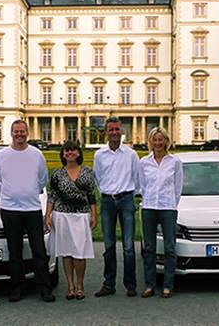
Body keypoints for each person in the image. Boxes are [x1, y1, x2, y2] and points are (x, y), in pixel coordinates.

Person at [0, 120, 54, 303]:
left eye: (22, 131)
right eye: (16, 131)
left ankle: (44, 288)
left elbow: (43, 179)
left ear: (27, 133)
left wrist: (29, 192)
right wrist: (9, 194)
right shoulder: (1, 156)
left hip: (33, 208)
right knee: (15, 251)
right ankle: (17, 287)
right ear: (11, 133)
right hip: (10, 209)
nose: (19, 134)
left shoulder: (36, 155)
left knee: (39, 251)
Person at [92, 117, 140, 297]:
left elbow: (138, 178)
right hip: (107, 201)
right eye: (111, 129)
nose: (114, 133)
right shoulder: (99, 155)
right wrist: (105, 192)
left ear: (121, 131)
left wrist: (130, 195)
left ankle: (130, 284)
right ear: (106, 132)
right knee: (109, 244)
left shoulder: (131, 154)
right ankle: (109, 283)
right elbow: (97, 178)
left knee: (128, 246)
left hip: (126, 199)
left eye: (117, 129)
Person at [45, 140, 97, 300]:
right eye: (67, 151)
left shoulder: (87, 172)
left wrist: (94, 215)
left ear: (79, 153)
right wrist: (48, 215)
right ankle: (70, 286)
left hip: (81, 215)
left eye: (73, 150)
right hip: (61, 215)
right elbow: (52, 196)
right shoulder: (57, 174)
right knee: (66, 252)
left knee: (79, 253)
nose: (70, 153)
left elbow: (91, 196)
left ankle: (80, 285)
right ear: (63, 154)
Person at [137, 127, 183, 299]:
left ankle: (168, 285)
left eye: (160, 140)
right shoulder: (144, 162)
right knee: (149, 248)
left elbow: (178, 186)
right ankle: (150, 285)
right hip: (149, 207)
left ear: (166, 141)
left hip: (167, 207)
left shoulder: (175, 162)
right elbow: (142, 185)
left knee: (170, 247)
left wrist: (172, 204)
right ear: (151, 142)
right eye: (154, 140)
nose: (157, 143)